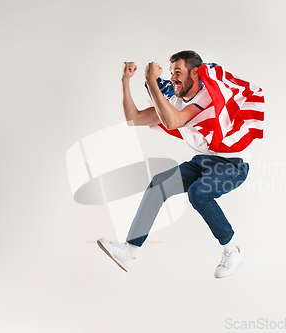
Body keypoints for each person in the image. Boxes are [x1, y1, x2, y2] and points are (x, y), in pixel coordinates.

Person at [97, 50, 259, 278]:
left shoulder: (206, 98)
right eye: (171, 71)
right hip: (204, 161)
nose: (172, 77)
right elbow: (134, 118)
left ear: (194, 73)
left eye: (178, 71)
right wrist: (125, 81)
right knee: (159, 184)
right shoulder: (175, 100)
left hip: (233, 164)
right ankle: (129, 251)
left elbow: (174, 121)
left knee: (198, 193)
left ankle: (232, 251)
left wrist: (150, 80)